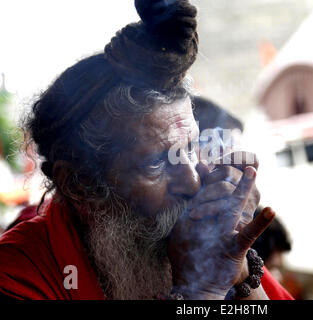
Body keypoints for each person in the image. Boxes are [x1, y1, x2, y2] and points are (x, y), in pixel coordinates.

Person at [0, 0, 293, 300]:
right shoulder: (15, 275)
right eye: (156, 163)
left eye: (189, 148)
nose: (192, 182)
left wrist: (239, 275)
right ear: (79, 184)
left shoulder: (206, 247)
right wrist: (202, 291)